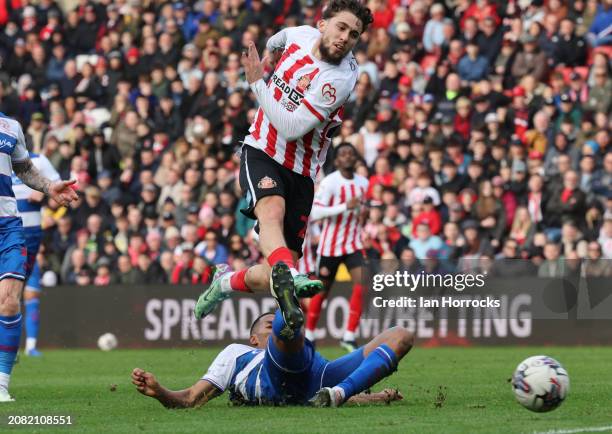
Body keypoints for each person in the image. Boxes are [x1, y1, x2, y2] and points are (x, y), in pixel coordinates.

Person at [194, 0, 374, 333]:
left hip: (302, 172)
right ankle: (289, 274)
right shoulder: (301, 35)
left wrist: (258, 84)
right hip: (261, 149)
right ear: (322, 25)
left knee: (274, 269)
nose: (345, 38)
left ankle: (226, 282)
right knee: (271, 214)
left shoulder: (340, 79)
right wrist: (269, 57)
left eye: (354, 34)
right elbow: (278, 39)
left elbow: (292, 127)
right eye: (341, 27)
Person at [132, 309, 413, 407]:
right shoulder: (236, 353)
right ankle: (287, 311)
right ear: (253, 339)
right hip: (275, 378)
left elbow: (316, 396)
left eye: (272, 325)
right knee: (288, 333)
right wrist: (161, 393)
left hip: (320, 374)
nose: (271, 329)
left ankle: (340, 391)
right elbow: (191, 398)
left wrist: (372, 397)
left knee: (401, 336)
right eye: (267, 326)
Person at [0, 112, 78, 402]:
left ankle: (1, 384)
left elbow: (24, 169)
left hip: (8, 227)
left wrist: (48, 186)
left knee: (9, 301)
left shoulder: (11, 127)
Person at [305, 143, 369, 351]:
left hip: (353, 243)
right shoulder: (330, 183)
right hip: (330, 246)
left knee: (363, 283)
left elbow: (361, 211)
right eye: (343, 153)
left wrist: (363, 214)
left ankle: (349, 336)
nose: (347, 156)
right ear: (337, 160)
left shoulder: (363, 183)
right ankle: (309, 334)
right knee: (322, 291)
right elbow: (315, 213)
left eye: (351, 152)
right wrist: (345, 206)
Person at [11, 147, 60, 357]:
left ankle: (30, 346)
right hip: (7, 234)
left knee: (28, 293)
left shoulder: (39, 161)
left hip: (31, 237)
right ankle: (9, 348)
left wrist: (43, 191)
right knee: (9, 294)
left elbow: (59, 185)